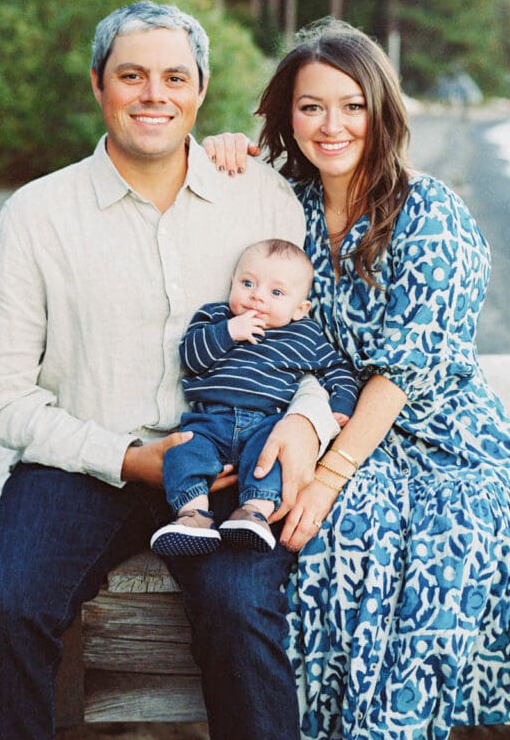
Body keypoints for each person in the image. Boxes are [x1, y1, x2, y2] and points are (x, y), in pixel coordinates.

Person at [203, 19, 510, 740]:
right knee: (335, 542)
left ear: (383, 112)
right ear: (286, 116)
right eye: (310, 107)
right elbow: (199, 205)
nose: (331, 125)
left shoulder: (428, 212)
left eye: (351, 105)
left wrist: (329, 476)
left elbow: (406, 370)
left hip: (442, 433)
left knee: (442, 543)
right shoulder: (278, 207)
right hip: (331, 420)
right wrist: (227, 150)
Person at [0, 0, 339, 740]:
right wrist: (131, 458)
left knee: (242, 612)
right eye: (131, 75)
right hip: (87, 461)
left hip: (236, 464)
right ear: (98, 84)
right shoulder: (35, 214)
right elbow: (1, 393)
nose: (152, 94)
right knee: (5, 605)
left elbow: (316, 349)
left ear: (200, 91)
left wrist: (304, 428)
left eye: (174, 77)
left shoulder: (261, 198)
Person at [151, 238, 357, 556]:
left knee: (271, 460)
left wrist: (340, 405)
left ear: (299, 308)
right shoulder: (216, 318)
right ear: (232, 282)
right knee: (182, 452)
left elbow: (336, 369)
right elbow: (190, 358)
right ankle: (192, 515)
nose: (257, 296)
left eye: (276, 293)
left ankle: (253, 512)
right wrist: (229, 332)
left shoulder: (304, 333)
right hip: (209, 419)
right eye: (248, 283)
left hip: (266, 422)